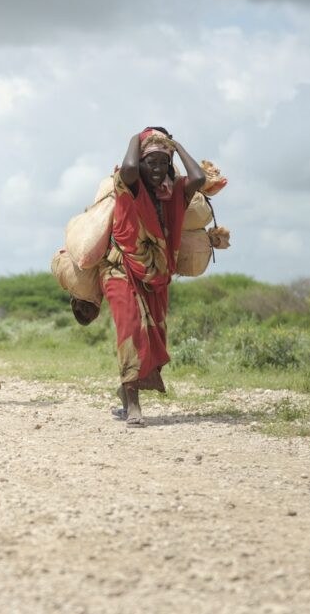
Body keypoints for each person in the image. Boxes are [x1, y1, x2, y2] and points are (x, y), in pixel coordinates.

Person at [101, 127, 205, 427]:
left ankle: (125, 391)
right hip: (120, 268)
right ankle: (134, 406)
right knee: (132, 331)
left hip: (156, 276)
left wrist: (174, 145)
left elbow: (199, 178)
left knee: (152, 336)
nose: (157, 169)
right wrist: (139, 136)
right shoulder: (129, 186)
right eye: (152, 162)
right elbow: (131, 166)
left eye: (163, 163)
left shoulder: (174, 194)